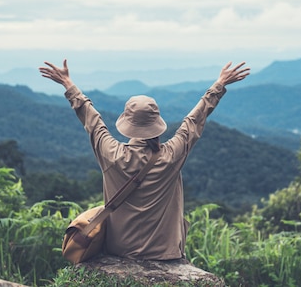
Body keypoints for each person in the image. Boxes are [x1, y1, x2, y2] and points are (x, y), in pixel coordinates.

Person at [39, 59, 249, 260]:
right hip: (164, 251)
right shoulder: (172, 155)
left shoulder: (111, 154)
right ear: (157, 123)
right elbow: (194, 120)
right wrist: (219, 84)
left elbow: (92, 120)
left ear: (126, 122)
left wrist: (68, 84)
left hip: (119, 249)